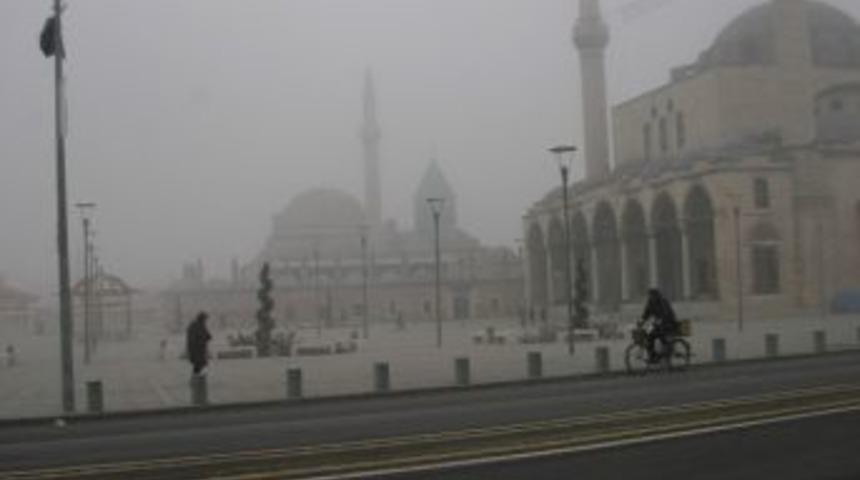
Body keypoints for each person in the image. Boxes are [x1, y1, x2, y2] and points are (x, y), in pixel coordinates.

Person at [640, 288, 680, 362]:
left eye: (652, 296)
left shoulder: (663, 301)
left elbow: (666, 313)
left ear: (656, 295)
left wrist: (659, 321)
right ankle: (653, 355)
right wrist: (642, 321)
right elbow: (646, 313)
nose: (651, 297)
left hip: (669, 323)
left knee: (655, 335)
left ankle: (663, 352)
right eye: (650, 296)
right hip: (659, 323)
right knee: (648, 334)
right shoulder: (650, 302)